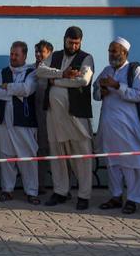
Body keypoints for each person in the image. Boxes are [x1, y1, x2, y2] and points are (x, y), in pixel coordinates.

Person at [35, 26, 96, 210]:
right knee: (57, 154)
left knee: (82, 156)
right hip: (54, 115)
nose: (73, 46)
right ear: (64, 40)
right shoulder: (55, 56)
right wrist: (62, 73)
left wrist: (56, 82)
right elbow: (40, 71)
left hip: (75, 116)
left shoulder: (86, 58)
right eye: (70, 43)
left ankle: (84, 195)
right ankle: (60, 191)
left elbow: (83, 81)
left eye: (77, 43)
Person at [95, 37, 140, 214]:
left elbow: (139, 95)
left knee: (131, 163)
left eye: (115, 51)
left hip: (129, 127)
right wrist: (101, 91)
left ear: (125, 53)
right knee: (112, 163)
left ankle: (133, 199)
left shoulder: (135, 70)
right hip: (109, 126)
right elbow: (95, 93)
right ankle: (116, 196)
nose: (111, 54)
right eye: (110, 51)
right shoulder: (106, 70)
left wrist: (117, 86)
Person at [0, 41, 40, 205]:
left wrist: (8, 87)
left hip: (24, 122)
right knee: (6, 156)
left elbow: (27, 90)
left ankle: (32, 192)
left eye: (16, 54)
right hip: (4, 122)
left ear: (24, 56)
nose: (13, 57)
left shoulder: (32, 72)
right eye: (11, 54)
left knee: (28, 157)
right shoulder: (3, 71)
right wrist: (15, 92)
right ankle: (7, 190)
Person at [32, 40, 54, 192]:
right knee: (37, 152)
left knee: (52, 152)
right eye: (37, 51)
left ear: (50, 54)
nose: (39, 55)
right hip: (31, 118)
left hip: (49, 118)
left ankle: (62, 188)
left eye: (42, 52)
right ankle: (38, 185)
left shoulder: (54, 72)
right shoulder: (29, 70)